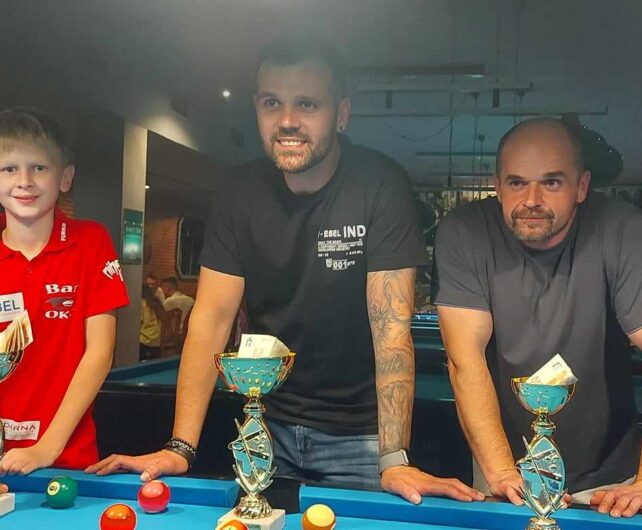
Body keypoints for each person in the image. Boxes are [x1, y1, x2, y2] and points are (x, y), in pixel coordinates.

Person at [87, 37, 480, 504]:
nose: (287, 120)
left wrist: (393, 457)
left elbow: (390, 330)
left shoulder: (379, 184)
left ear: (341, 114)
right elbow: (211, 320)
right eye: (272, 103)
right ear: (256, 108)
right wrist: (181, 446)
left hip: (360, 438)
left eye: (307, 104)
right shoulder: (238, 190)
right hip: (265, 425)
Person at [431, 117, 642, 519]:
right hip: (507, 475)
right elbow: (464, 360)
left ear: (582, 186)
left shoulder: (625, 230)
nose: (532, 199)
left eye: (552, 182)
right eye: (517, 182)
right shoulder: (464, 232)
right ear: (497, 185)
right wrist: (502, 471)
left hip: (611, 486)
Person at [0, 107, 129, 489]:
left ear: (65, 177)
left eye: (39, 167)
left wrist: (47, 446)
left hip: (66, 460)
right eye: (9, 168)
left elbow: (99, 353)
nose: (24, 181)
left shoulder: (91, 242)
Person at [139, 284, 163, 360]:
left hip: (145, 341)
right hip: (158, 341)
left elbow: (136, 323)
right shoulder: (157, 302)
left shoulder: (141, 303)